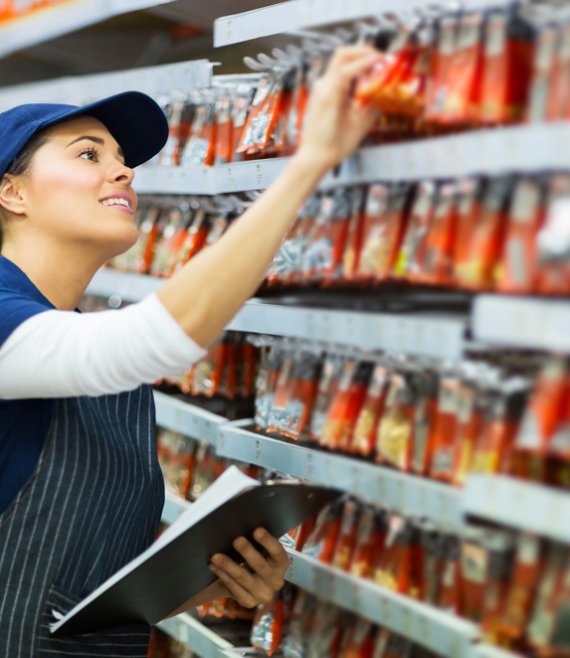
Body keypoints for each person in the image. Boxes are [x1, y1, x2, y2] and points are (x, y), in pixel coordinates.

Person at [0, 46, 379, 656]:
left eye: (123, 160)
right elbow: (154, 339)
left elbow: (76, 601)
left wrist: (207, 579)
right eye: (89, 154)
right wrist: (310, 162)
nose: (123, 172)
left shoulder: (101, 368)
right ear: (12, 193)